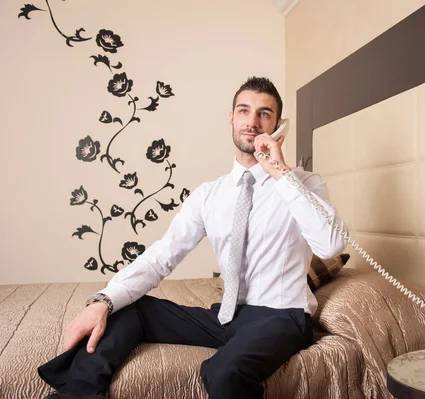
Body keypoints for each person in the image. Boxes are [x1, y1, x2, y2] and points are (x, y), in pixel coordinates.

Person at [38, 76, 348, 399]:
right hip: (229, 316)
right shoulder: (208, 195)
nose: (252, 122)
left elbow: (331, 244)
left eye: (264, 114)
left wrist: (281, 173)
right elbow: (162, 256)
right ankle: (78, 392)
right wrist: (102, 301)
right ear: (231, 119)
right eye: (244, 111)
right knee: (128, 308)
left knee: (222, 370)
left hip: (282, 317)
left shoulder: (303, 183)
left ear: (278, 126)